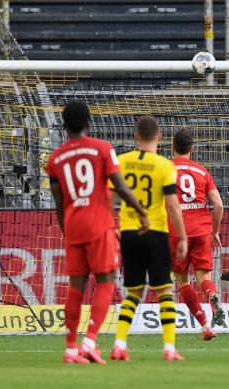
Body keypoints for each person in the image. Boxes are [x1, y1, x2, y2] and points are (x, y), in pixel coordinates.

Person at [46, 100, 149, 364]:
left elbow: (59, 204)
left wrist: (65, 231)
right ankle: (90, 341)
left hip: (73, 225)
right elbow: (122, 187)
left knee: (76, 287)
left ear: (64, 125)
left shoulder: (54, 160)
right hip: (99, 222)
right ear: (88, 122)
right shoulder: (103, 149)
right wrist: (141, 211)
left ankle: (70, 350)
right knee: (106, 281)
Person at [110, 115, 189, 361]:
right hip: (155, 232)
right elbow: (173, 206)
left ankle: (119, 344)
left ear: (135, 136)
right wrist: (183, 237)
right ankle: (169, 349)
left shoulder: (121, 161)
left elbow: (108, 198)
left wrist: (110, 225)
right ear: (160, 138)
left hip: (129, 232)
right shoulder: (165, 166)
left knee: (133, 291)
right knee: (165, 290)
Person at [169, 129, 225, 340]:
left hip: (176, 231)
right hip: (202, 231)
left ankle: (205, 326)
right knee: (204, 277)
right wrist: (215, 231)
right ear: (192, 148)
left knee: (183, 281)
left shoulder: (167, 169)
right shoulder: (202, 172)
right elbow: (219, 205)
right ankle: (212, 295)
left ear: (172, 147)